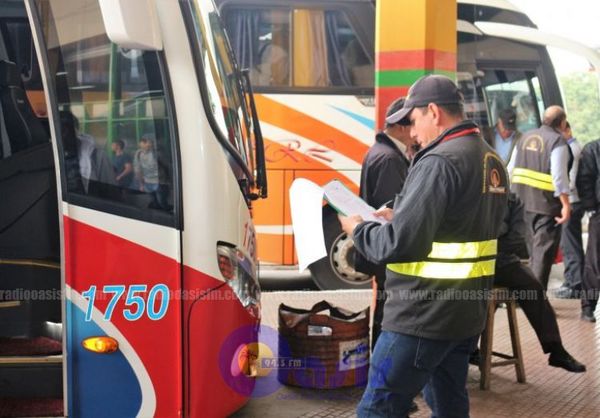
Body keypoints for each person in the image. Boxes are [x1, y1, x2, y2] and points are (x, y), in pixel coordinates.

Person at [339, 75, 508, 417]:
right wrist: (400, 211)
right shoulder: (490, 159)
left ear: (433, 111)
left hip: (422, 316)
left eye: (414, 122)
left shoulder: (439, 161)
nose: (412, 133)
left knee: (379, 408)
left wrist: (358, 229)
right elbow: (459, 223)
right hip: (465, 314)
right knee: (449, 406)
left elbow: (400, 244)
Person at [476, 193, 585, 372]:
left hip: (500, 261)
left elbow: (517, 240)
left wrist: (490, 246)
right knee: (475, 297)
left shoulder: (511, 200)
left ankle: (556, 349)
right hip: (469, 263)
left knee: (532, 286)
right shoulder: (470, 191)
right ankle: (468, 346)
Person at [358, 96, 416, 347]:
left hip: (379, 248)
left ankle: (381, 363)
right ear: (402, 128)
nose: (416, 132)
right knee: (387, 310)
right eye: (412, 125)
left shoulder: (381, 152)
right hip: (386, 250)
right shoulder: (390, 159)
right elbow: (390, 209)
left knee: (384, 304)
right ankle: (383, 364)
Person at [510, 105, 571, 290]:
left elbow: (510, 169)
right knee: (542, 255)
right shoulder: (557, 141)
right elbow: (558, 176)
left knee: (532, 254)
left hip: (521, 203)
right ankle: (535, 301)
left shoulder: (524, 137)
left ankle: (530, 299)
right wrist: (565, 204)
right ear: (562, 122)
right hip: (546, 206)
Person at [555, 122, 584, 299]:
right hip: (574, 201)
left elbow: (570, 180)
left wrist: (562, 196)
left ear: (567, 130)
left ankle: (575, 285)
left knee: (571, 244)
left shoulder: (572, 149)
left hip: (572, 201)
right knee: (569, 244)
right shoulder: (573, 146)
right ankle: (571, 281)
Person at [60, 110, 115, 194]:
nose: (64, 136)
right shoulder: (52, 157)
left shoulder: (97, 157)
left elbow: (112, 192)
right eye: (60, 132)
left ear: (76, 131)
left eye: (65, 130)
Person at [576, 138, 600, 322]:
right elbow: (584, 179)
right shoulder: (593, 149)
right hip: (599, 213)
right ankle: (588, 307)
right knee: (595, 261)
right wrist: (591, 207)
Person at [134, 133, 170, 210]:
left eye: (150, 142)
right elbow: (138, 170)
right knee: (154, 202)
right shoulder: (138, 153)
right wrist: (141, 184)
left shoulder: (157, 153)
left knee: (162, 202)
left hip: (160, 182)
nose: (149, 144)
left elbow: (167, 165)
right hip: (147, 182)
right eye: (146, 142)